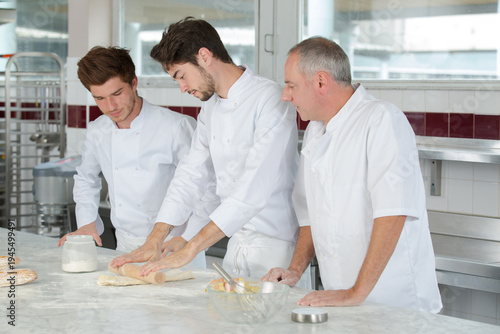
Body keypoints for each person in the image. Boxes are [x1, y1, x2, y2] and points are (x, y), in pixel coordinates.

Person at [110, 17, 302, 282]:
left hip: (277, 250)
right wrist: (155, 239)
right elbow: (190, 175)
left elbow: (252, 190)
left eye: (181, 76)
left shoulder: (269, 99)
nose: (183, 88)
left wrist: (191, 247)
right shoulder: (210, 109)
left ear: (204, 56)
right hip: (235, 244)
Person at [262, 37, 442, 313]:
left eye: (291, 85)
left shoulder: (381, 119)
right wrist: (295, 270)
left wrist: (356, 293)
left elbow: (393, 213)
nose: (285, 96)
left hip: (395, 303)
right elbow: (311, 215)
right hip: (343, 298)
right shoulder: (315, 131)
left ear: (321, 82)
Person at [57, 46, 210, 268]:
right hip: (126, 245)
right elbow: (86, 179)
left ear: (134, 83)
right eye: (100, 98)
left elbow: (205, 187)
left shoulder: (176, 127)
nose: (110, 106)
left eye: (117, 94)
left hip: (175, 248)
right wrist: (87, 223)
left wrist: (191, 238)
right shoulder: (97, 130)